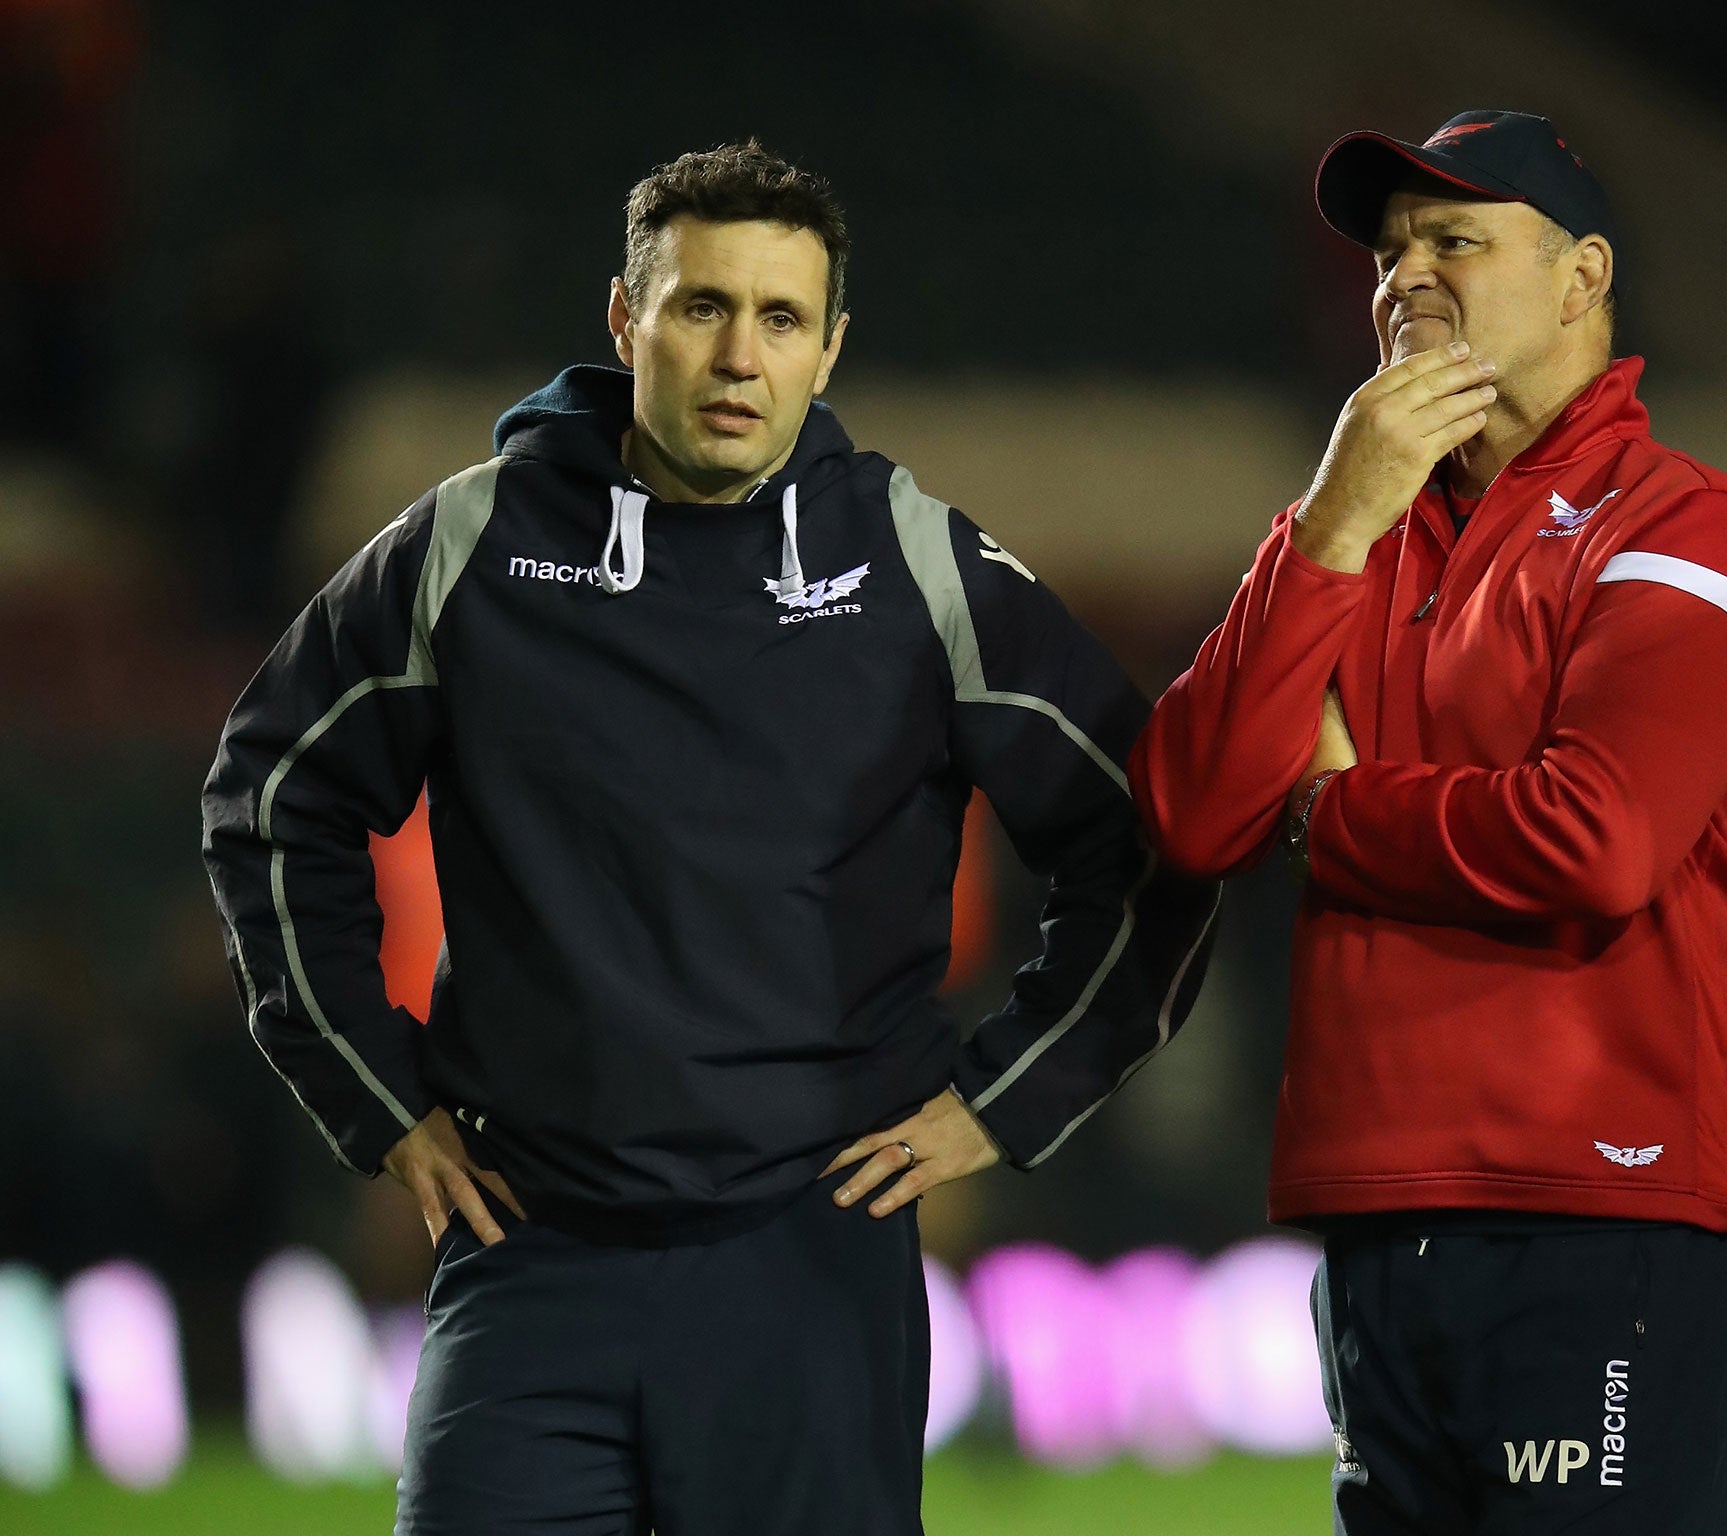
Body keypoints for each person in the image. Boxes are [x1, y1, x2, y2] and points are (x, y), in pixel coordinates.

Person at [201, 140, 1218, 1536]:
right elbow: (268, 801)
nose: (741, 354)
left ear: (830, 348)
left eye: (782, 318)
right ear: (626, 320)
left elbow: (1150, 834)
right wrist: (379, 1105)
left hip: (811, 1272)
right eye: (702, 308)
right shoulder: (469, 548)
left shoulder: (914, 564)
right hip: (525, 1255)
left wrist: (1009, 1097)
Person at [1128, 110, 1727, 1534]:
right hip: (1376, 1211)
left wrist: (1335, 808)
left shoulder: (1686, 528)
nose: (1404, 274)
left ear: (1582, 275)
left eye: (1456, 238)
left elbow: (1596, 839)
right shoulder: (1343, 532)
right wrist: (1327, 527)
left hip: (1605, 1212)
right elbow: (1190, 813)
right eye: (1387, 250)